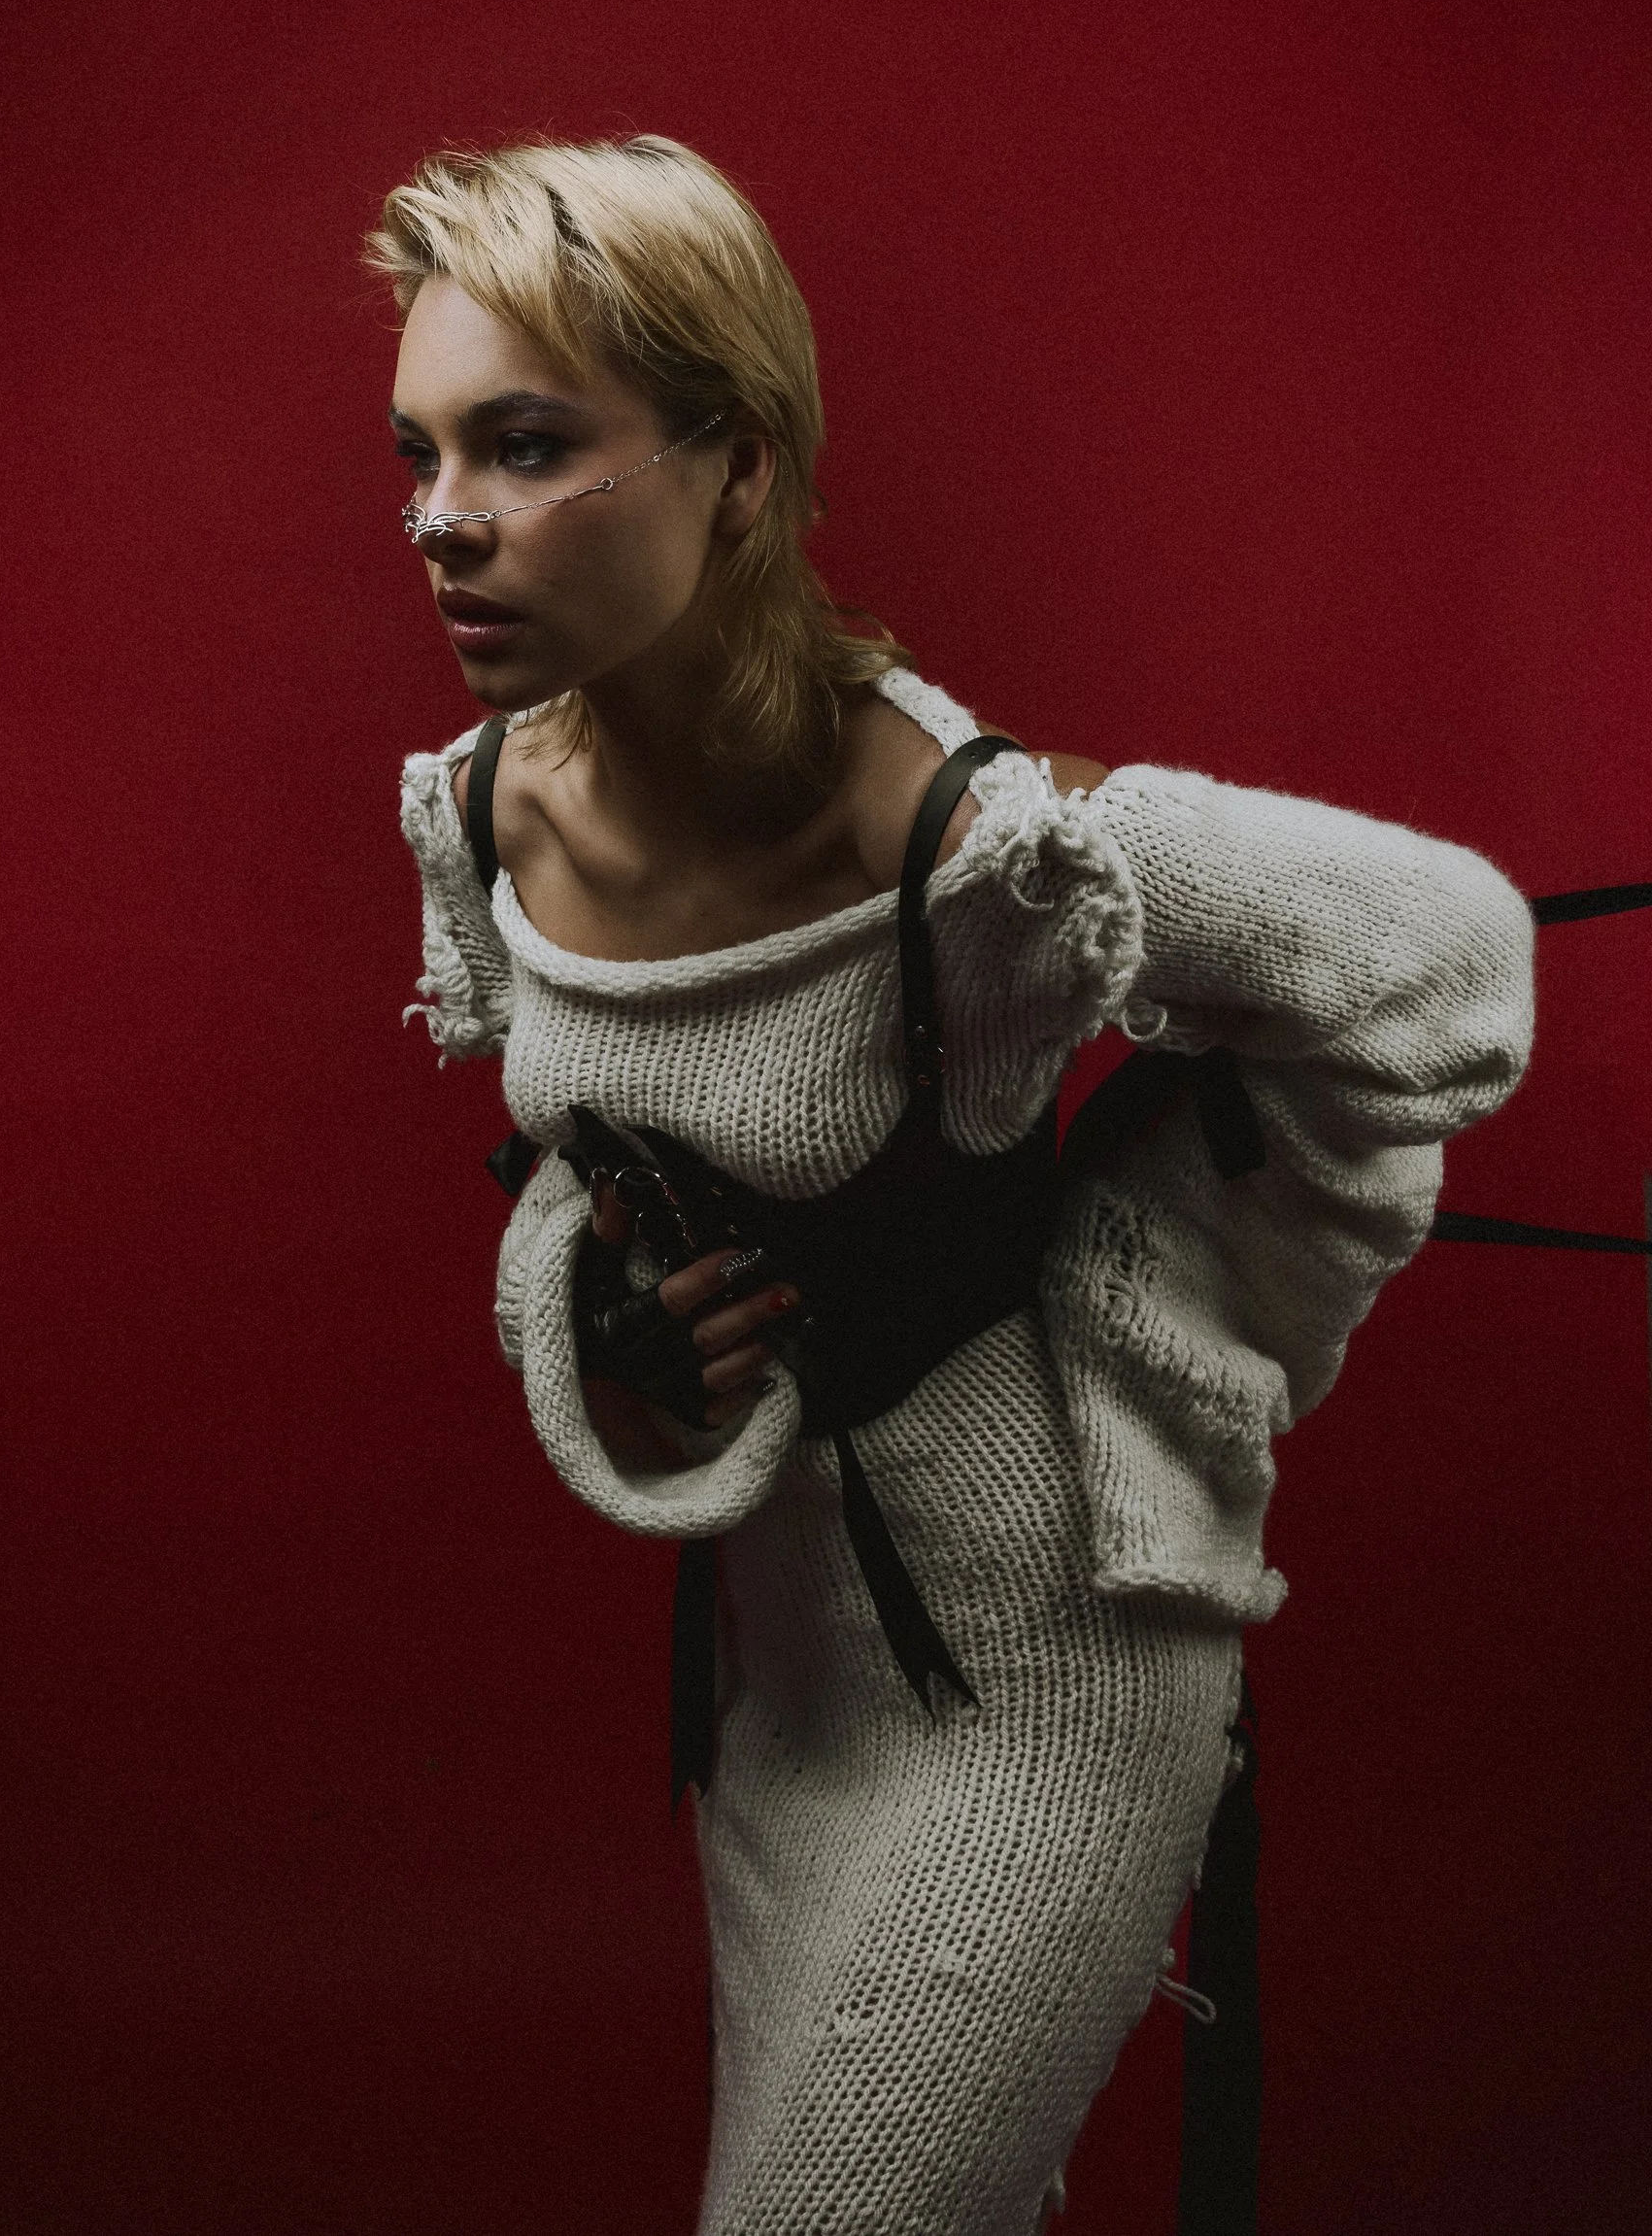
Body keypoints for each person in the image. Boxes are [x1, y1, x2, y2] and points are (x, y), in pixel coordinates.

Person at [379, 134, 1535, 2236]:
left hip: (1052, 1673)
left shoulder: (978, 849)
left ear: (739, 468)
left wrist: (1190, 1286)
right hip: (786, 1684)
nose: (442, 519)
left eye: (526, 445)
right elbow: (581, 1172)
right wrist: (613, 1350)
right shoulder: (478, 812)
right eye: (422, 450)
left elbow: (1454, 958)